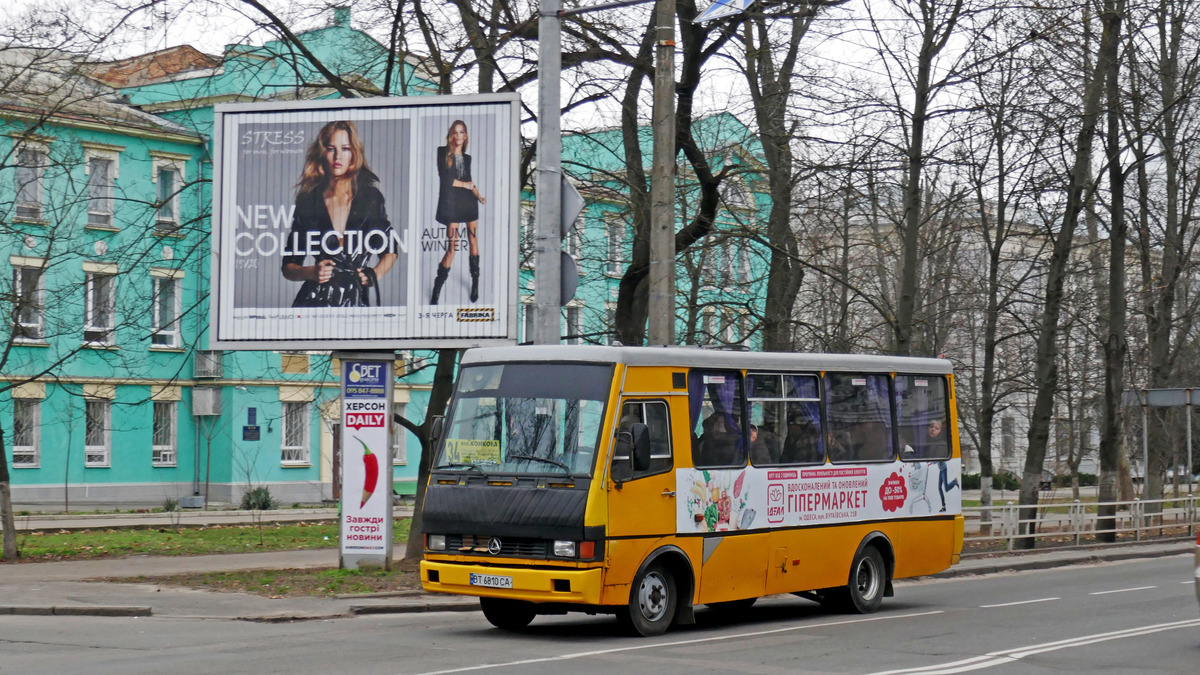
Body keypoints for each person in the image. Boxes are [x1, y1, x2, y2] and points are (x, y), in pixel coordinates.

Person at [282, 120, 397, 307]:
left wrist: (375, 273)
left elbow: (390, 250)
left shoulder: (371, 198)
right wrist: (311, 272)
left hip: (356, 302)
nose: (338, 157)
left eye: (345, 148)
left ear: (353, 153)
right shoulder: (308, 202)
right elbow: (288, 267)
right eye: (330, 149)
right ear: (322, 153)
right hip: (314, 304)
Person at [430, 120, 487, 305]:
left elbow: (470, 180)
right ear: (451, 135)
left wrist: (479, 195)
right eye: (455, 132)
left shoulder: (467, 158)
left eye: (462, 132)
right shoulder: (442, 152)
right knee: (452, 247)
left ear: (466, 136)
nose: (458, 135)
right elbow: (446, 180)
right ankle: (437, 288)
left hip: (469, 203)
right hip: (452, 204)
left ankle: (475, 283)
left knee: (473, 240)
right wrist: (466, 185)